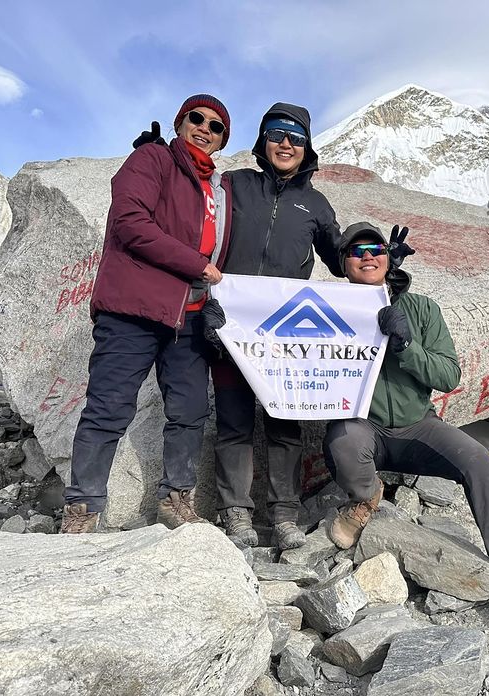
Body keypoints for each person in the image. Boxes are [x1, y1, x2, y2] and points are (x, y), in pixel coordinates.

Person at [323, 222, 489, 639]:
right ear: (343, 264)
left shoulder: (423, 309)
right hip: (362, 425)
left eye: (375, 248)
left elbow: (448, 374)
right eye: (356, 252)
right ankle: (366, 497)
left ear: (389, 256)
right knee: (342, 439)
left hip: (418, 427)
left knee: (477, 459)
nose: (367, 256)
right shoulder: (329, 306)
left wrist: (408, 347)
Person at [135, 103, 345, 549]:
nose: (285, 143)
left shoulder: (317, 204)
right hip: (230, 327)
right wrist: (163, 164)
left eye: (295, 136)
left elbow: (343, 259)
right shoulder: (232, 185)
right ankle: (237, 513)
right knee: (233, 421)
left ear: (307, 147)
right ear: (263, 141)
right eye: (276, 133)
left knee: (284, 425)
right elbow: (191, 206)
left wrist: (384, 263)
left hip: (286, 336)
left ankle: (284, 514)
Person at [61, 94, 233, 534]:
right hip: (134, 310)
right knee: (108, 406)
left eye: (216, 126)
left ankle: (176, 499)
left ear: (222, 140)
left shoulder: (216, 187)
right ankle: (82, 508)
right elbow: (130, 223)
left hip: (191, 316)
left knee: (191, 411)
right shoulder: (152, 160)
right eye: (197, 118)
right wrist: (196, 265)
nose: (205, 129)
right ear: (181, 122)